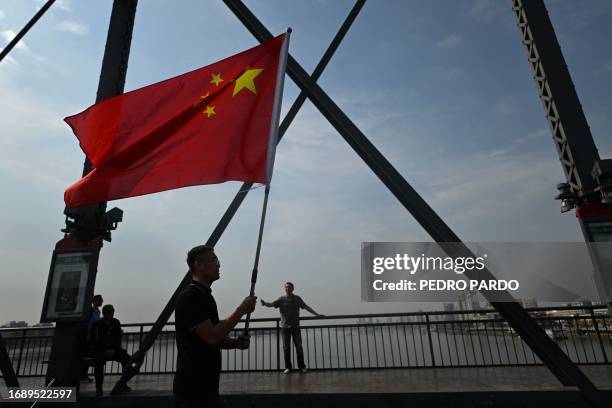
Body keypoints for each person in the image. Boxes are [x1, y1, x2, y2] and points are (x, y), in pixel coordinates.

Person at [173, 245, 257, 408]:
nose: (219, 265)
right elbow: (211, 336)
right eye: (214, 260)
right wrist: (241, 310)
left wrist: (234, 343)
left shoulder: (205, 297)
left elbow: (212, 338)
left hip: (207, 385)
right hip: (192, 389)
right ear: (199, 265)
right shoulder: (190, 297)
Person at [261, 282, 322, 373]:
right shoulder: (281, 299)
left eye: (289, 287)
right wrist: (265, 303)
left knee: (298, 346)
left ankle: (302, 367)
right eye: (286, 287)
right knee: (286, 347)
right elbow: (272, 304)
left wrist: (316, 314)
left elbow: (306, 307)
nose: (287, 289)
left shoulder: (297, 299)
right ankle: (288, 367)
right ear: (284, 289)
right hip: (285, 327)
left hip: (295, 327)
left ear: (293, 288)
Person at [90, 304, 131, 396]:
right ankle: (99, 387)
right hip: (101, 351)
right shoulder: (97, 325)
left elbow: (118, 338)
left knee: (127, 359)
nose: (111, 313)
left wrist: (114, 349)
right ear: (104, 313)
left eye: (112, 311)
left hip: (114, 350)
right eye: (109, 311)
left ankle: (123, 383)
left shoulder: (116, 322)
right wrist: (104, 350)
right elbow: (95, 341)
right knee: (98, 363)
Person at [80, 294, 103, 382]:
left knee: (90, 356)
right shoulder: (90, 311)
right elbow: (89, 324)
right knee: (87, 355)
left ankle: (84, 374)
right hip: (89, 335)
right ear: (95, 301)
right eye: (100, 300)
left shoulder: (98, 311)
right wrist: (88, 335)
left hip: (94, 336)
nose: (101, 302)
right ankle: (82, 375)